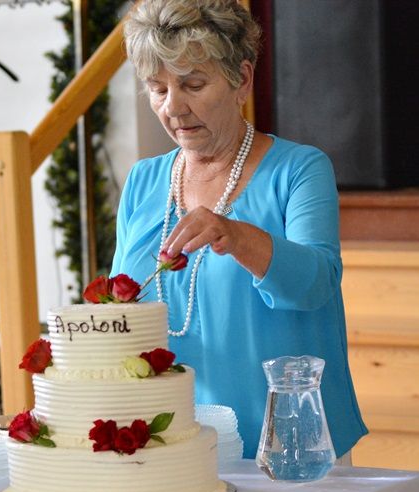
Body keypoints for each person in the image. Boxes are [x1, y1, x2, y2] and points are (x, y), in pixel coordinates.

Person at [110, 0, 367, 461]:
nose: (174, 107)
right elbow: (120, 310)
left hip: (292, 447)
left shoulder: (299, 169)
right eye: (158, 88)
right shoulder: (143, 181)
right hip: (175, 446)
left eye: (193, 84)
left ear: (242, 80)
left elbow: (316, 284)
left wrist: (236, 235)